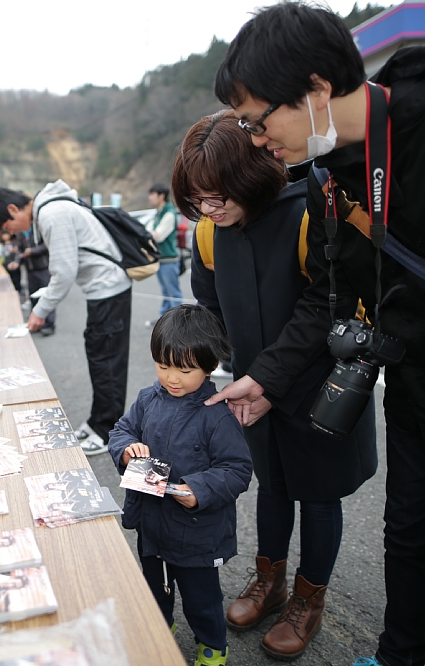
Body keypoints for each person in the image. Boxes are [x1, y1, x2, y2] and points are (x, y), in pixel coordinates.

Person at [213, 4, 425, 665]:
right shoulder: (330, 173)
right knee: (407, 541)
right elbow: (327, 295)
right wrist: (267, 376)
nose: (254, 140)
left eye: (258, 121)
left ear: (314, 90)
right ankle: (397, 655)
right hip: (417, 391)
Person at [173, 111, 377, 659]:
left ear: (249, 176)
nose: (209, 210)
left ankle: (309, 598)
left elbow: (324, 304)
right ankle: (270, 579)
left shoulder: (310, 207)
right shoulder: (211, 229)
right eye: (199, 202)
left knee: (318, 492)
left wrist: (265, 377)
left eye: (217, 197)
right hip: (251, 386)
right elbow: (209, 303)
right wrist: (203, 366)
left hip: (318, 385)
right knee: (272, 483)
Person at [108, 305, 252, 666]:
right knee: (154, 588)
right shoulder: (147, 398)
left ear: (209, 366)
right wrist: (127, 449)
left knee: (201, 598)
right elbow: (121, 430)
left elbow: (237, 469)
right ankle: (160, 629)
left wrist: (199, 489)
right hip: (151, 521)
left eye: (185, 370)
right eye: (163, 365)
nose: (172, 378)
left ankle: (212, 647)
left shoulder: (217, 416)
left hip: (197, 532)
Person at [0, 181, 133, 455]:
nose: (12, 233)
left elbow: (63, 273)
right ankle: (98, 420)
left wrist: (40, 311)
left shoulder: (52, 214)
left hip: (108, 289)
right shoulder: (51, 209)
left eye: (8, 227)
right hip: (103, 289)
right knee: (99, 355)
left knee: (106, 360)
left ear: (13, 209)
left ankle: (107, 430)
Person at [146, 183, 182, 325]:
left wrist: (147, 234)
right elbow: (147, 231)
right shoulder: (158, 213)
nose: (149, 198)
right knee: (166, 292)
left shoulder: (169, 213)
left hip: (169, 260)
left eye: (152, 194)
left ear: (161, 196)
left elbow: (158, 235)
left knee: (173, 292)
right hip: (160, 259)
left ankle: (177, 322)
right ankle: (165, 319)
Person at [17, 230, 56, 335]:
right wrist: (16, 262)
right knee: (33, 296)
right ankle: (36, 323)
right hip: (30, 270)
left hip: (43, 268)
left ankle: (49, 324)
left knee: (47, 295)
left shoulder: (38, 230)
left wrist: (32, 251)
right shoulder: (21, 233)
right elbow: (19, 250)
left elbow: (46, 245)